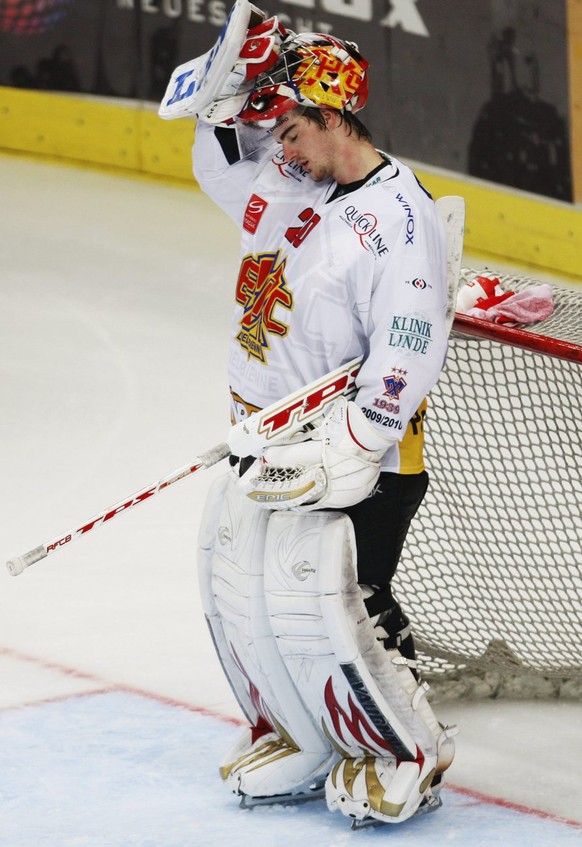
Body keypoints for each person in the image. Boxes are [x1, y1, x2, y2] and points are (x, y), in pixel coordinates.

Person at [160, 0, 458, 827]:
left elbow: (409, 340)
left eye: (288, 131)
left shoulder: (403, 221)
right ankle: (304, 732)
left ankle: (409, 751)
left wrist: (357, 442)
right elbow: (222, 166)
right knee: (249, 601)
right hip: (265, 437)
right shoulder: (296, 182)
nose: (277, 152)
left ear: (332, 119)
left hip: (352, 456)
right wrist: (225, 101)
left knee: (334, 607)